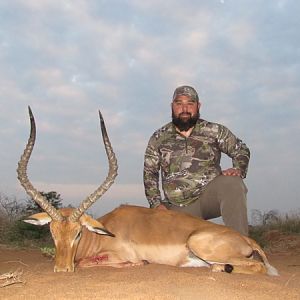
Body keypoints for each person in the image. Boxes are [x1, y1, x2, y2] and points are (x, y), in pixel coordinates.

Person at [143, 85, 250, 236]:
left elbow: (241, 149)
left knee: (233, 184)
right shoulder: (158, 137)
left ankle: (242, 247)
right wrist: (156, 204)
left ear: (198, 106)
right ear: (172, 106)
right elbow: (150, 173)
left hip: (208, 197)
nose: (184, 108)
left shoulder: (214, 130)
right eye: (179, 103)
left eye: (190, 104)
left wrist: (238, 168)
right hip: (177, 205)